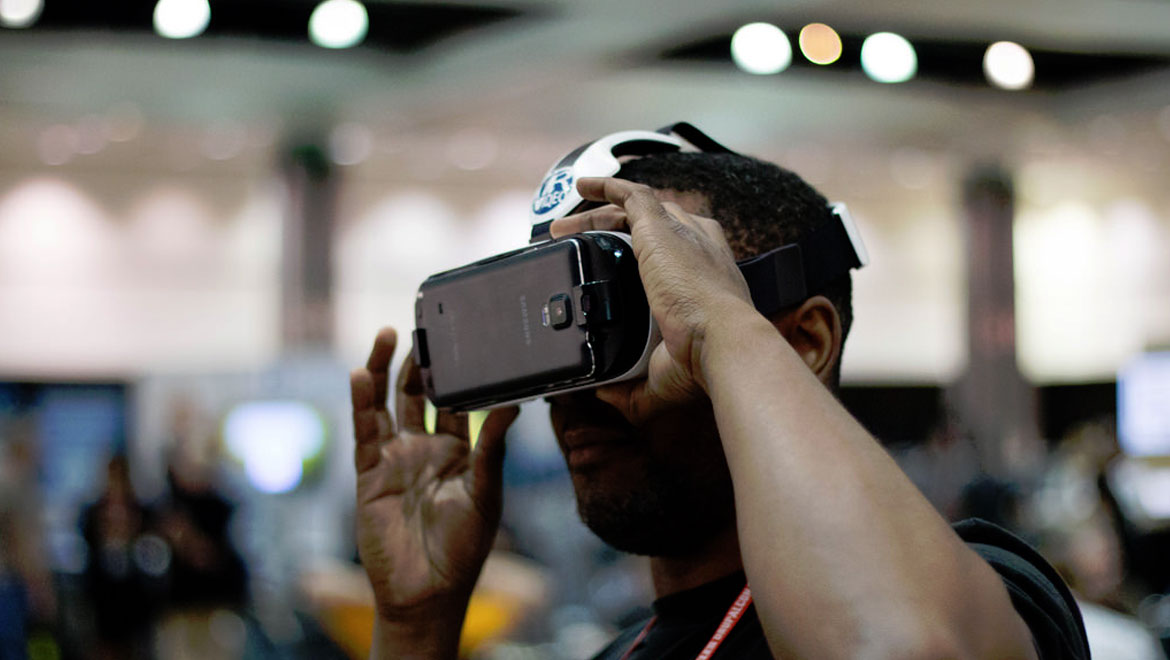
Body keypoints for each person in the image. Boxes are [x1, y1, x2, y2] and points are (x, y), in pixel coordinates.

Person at [350, 148, 1090, 659]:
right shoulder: (622, 649)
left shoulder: (973, 585)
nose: (579, 394)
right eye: (576, 333)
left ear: (802, 343)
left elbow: (902, 647)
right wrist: (416, 630)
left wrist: (719, 323)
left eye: (635, 324)